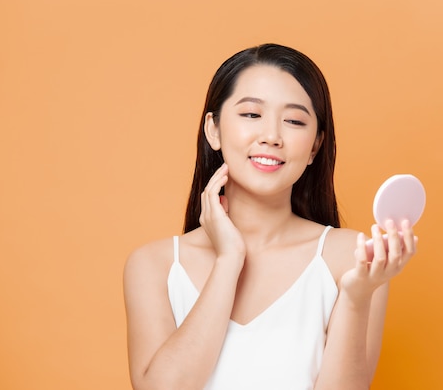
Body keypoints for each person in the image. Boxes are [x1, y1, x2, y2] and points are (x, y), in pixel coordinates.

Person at [123, 43, 417, 390]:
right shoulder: (154, 266)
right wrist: (229, 260)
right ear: (213, 130)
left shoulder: (351, 257)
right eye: (251, 114)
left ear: (315, 146)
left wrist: (356, 297)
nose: (272, 137)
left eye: (294, 121)